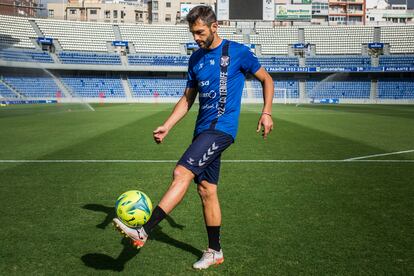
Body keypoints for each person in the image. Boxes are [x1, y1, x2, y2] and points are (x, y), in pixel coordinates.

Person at [113, 5, 274, 270]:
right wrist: (167, 125)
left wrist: (266, 112)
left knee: (181, 173)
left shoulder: (239, 52)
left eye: (200, 32)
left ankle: (144, 230)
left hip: (222, 130)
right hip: (202, 131)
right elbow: (188, 99)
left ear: (214, 26)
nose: (196, 38)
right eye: (193, 33)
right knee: (207, 190)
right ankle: (215, 251)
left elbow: (266, 79)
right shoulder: (195, 59)